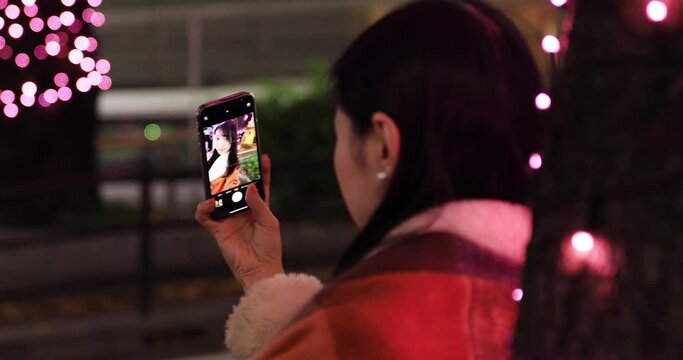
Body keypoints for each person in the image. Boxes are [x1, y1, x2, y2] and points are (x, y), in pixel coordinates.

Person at [196, 0, 543, 358]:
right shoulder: (564, 294)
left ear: (382, 146)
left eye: (340, 135)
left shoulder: (355, 325)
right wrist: (263, 278)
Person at [207, 120, 250, 194]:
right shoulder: (212, 154)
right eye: (217, 138)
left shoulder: (228, 165)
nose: (221, 144)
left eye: (226, 138)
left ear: (232, 139)